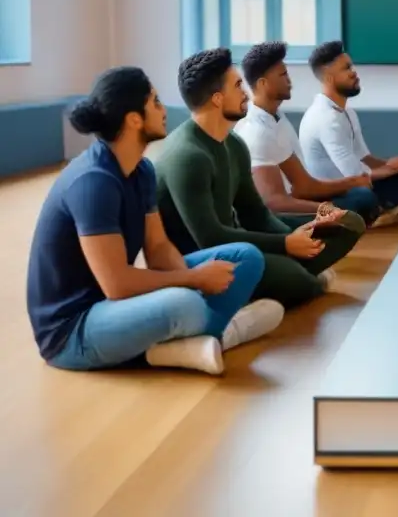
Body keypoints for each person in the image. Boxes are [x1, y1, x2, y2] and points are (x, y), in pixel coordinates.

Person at [26, 67, 284, 376]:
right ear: (134, 119)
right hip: (73, 331)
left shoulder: (142, 170)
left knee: (245, 257)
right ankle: (225, 332)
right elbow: (117, 285)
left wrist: (194, 281)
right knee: (182, 304)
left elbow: (159, 247)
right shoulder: (93, 182)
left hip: (118, 307)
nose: (164, 110)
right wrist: (193, 280)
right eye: (156, 102)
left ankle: (192, 340)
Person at [155, 48, 366, 310]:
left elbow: (256, 214)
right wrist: (286, 244)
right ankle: (289, 280)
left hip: (239, 242)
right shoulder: (189, 156)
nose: (246, 93)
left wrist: (298, 235)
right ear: (218, 99)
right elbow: (210, 238)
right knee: (303, 283)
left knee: (347, 226)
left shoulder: (234, 145)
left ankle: (285, 276)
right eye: (237, 86)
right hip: (208, 260)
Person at [233, 41, 379, 226]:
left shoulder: (276, 117)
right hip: (280, 218)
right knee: (360, 201)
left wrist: (352, 183)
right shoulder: (256, 131)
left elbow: (303, 185)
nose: (289, 80)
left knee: (361, 195)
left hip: (297, 199)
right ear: (263, 84)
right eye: (283, 74)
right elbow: (274, 204)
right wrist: (328, 210)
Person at [298, 41, 398, 226]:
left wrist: (393, 165)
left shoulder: (346, 112)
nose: (354, 72)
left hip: (356, 181)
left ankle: (384, 210)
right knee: (363, 197)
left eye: (352, 66)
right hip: (335, 191)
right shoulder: (326, 119)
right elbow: (354, 174)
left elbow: (364, 157)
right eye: (346, 68)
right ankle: (379, 213)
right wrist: (389, 169)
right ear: (329, 77)